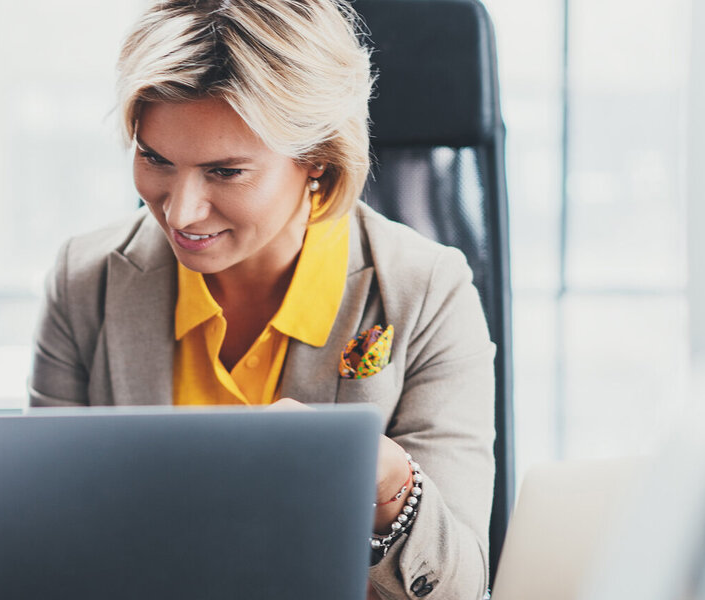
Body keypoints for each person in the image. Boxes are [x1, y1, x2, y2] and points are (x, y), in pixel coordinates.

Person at [28, 0, 495, 598]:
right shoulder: (83, 281)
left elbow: (458, 588)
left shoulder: (427, 294)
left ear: (317, 162)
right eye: (155, 159)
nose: (181, 211)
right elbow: (47, 547)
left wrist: (385, 482)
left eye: (224, 171)